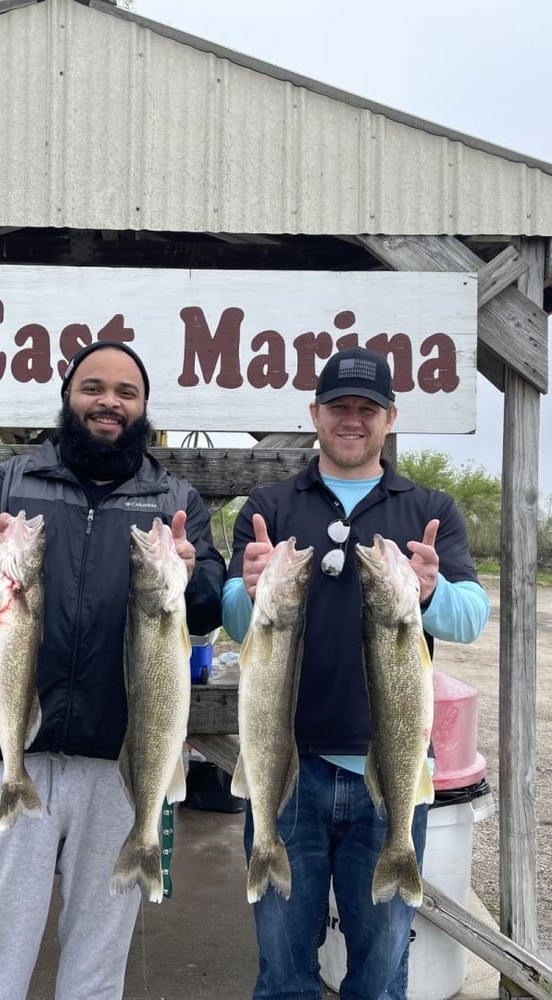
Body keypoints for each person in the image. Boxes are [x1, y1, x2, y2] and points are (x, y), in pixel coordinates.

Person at [0, 340, 224, 1000]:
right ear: (67, 397)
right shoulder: (10, 482)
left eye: (125, 392)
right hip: (13, 757)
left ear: (144, 409)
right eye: (93, 388)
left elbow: (206, 606)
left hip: (122, 766)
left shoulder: (174, 499)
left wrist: (193, 574)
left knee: (96, 959)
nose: (108, 403)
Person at [222, 346, 490, 1000]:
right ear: (314, 413)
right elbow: (235, 622)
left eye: (365, 409)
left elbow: (470, 618)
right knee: (283, 973)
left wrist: (427, 594)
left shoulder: (427, 507)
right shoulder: (271, 505)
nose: (351, 420)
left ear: (389, 418)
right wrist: (248, 589)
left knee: (379, 976)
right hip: (284, 771)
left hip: (390, 776)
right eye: (337, 406)